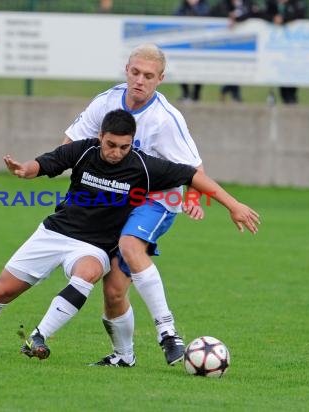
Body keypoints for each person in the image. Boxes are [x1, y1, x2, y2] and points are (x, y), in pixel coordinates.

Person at [0, 109, 260, 358]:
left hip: (95, 247)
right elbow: (48, 161)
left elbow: (193, 175)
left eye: (124, 146)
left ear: (132, 142)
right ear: (100, 136)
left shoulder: (145, 167)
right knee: (2, 291)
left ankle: (39, 336)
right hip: (55, 232)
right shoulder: (83, 151)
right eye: (110, 144)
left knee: (88, 273)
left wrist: (232, 204)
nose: (116, 152)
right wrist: (25, 169)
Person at [63, 44, 205, 367]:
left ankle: (168, 332)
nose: (140, 80)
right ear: (127, 70)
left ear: (161, 79)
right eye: (136, 72)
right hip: (117, 201)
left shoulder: (166, 119)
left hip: (160, 199)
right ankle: (124, 357)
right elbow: (71, 146)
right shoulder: (106, 102)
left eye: (149, 76)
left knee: (129, 244)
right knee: (113, 291)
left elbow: (195, 169)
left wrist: (195, 197)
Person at [263, 0, 306, 104]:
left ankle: (291, 96)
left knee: (292, 69)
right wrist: (273, 18)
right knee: (279, 70)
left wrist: (284, 19)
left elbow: (300, 14)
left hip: (293, 45)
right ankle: (284, 96)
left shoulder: (295, 4)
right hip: (277, 45)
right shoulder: (271, 3)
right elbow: (263, 14)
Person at [174, 0, 210, 102]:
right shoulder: (182, 7)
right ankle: (185, 93)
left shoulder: (204, 6)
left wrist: (193, 9)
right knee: (182, 68)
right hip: (185, 45)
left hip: (200, 45)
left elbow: (205, 17)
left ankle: (196, 95)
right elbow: (176, 17)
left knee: (199, 69)